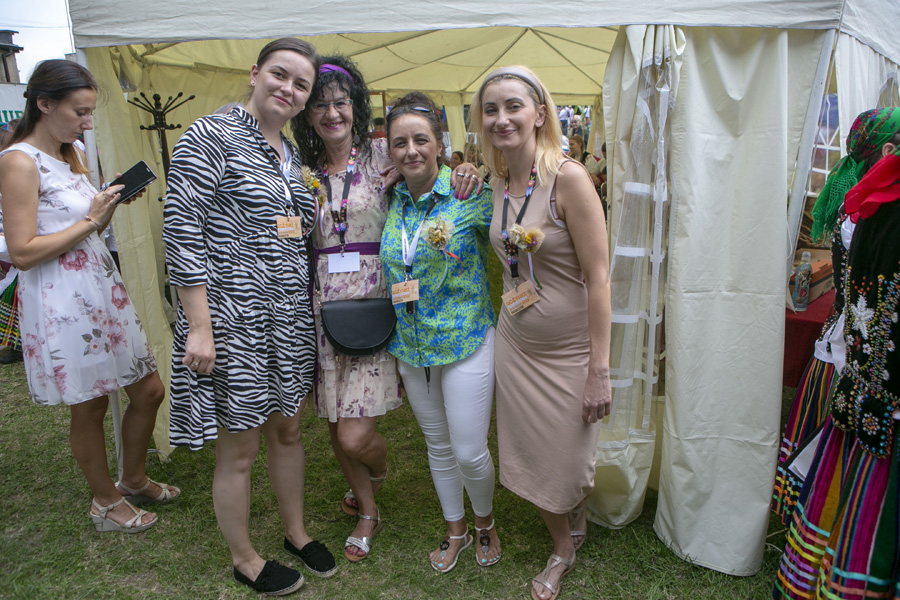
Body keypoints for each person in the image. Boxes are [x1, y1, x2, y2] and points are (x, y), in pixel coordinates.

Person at [292, 56, 482, 564]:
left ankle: (375, 470)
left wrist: (466, 168)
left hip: (378, 299)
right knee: (335, 419)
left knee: (356, 435)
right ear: (307, 114)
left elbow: (432, 165)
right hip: (325, 303)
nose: (332, 113)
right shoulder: (301, 170)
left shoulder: (383, 154)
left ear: (354, 105)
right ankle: (369, 511)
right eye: (320, 106)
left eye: (340, 103)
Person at [163, 38, 336, 596]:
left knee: (288, 429)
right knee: (240, 445)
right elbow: (181, 231)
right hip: (231, 320)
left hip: (288, 318)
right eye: (280, 75)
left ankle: (296, 531)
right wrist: (200, 327)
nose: (288, 89)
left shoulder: (291, 154)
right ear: (255, 72)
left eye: (301, 84)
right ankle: (244, 558)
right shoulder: (210, 135)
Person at [0, 60, 176, 534]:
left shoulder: (70, 154)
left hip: (100, 289)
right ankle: (105, 501)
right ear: (44, 104)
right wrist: (92, 220)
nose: (88, 122)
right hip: (62, 299)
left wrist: (106, 206)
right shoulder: (18, 161)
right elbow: (22, 251)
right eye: (80, 112)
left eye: (90, 111)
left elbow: (82, 227)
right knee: (91, 405)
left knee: (150, 389)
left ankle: (132, 477)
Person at [469, 66, 611, 600]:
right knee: (532, 448)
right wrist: (462, 172)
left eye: (513, 106)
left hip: (570, 349)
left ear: (539, 114)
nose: (501, 118)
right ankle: (563, 544)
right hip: (517, 343)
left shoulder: (568, 179)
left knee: (568, 456)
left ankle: (572, 512)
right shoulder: (495, 183)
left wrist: (599, 370)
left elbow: (599, 279)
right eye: (490, 109)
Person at [772, 137, 900, 600]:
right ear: (885, 148)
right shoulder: (877, 202)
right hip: (868, 382)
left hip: (857, 374)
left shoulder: (868, 202)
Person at [380, 91, 501, 572]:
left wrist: (477, 169)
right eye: (400, 142)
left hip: (465, 338)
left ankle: (485, 522)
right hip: (412, 347)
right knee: (438, 446)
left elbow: (517, 222)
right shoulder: (391, 197)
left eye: (420, 140)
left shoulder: (469, 193)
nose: (411, 150)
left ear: (439, 143)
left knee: (469, 450)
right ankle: (456, 530)